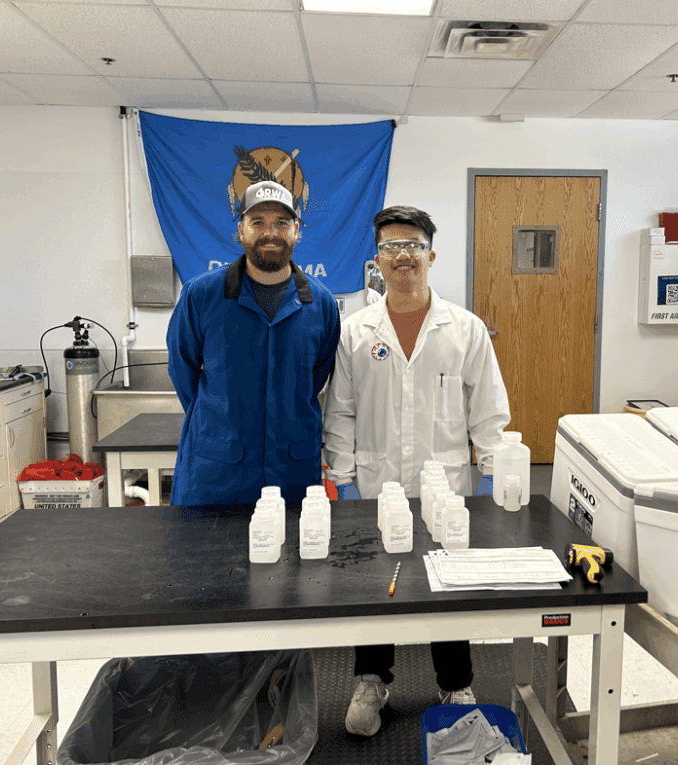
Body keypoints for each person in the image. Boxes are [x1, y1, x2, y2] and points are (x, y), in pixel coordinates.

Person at [322, 205, 511, 737]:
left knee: (446, 583)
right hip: (372, 481)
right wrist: (343, 478)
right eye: (391, 247)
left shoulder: (465, 330)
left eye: (413, 245)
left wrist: (491, 475)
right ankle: (370, 680)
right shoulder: (354, 332)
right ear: (377, 260)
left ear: (431, 255)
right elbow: (340, 412)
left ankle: (455, 682)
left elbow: (488, 412)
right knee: (374, 583)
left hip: (445, 486)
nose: (402, 256)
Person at [167, 180, 340, 506]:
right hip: (217, 474)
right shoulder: (201, 295)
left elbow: (317, 376)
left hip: (292, 473)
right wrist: (222, 421)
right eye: (257, 222)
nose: (270, 233)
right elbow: (182, 370)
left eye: (282, 222)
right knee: (204, 541)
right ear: (241, 230)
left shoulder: (321, 304)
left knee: (293, 540)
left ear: (296, 230)